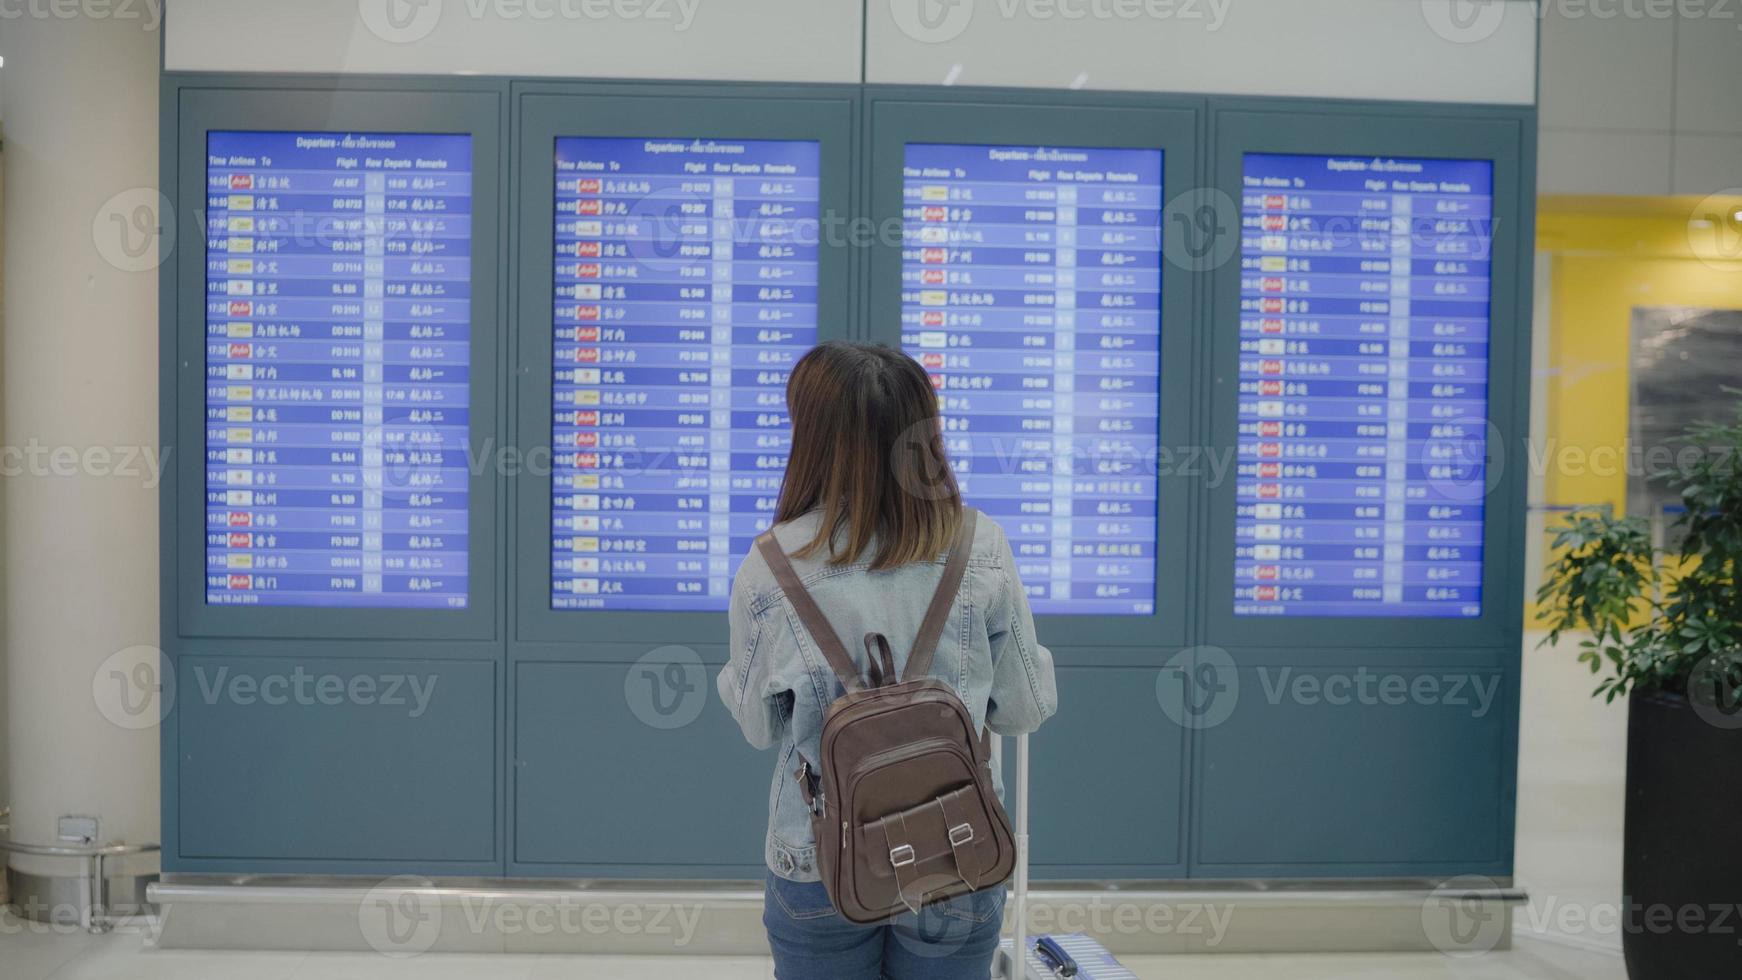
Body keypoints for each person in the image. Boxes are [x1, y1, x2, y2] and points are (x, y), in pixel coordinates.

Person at [718, 340, 1058, 980]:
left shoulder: (770, 568)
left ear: (812, 439)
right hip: (960, 851)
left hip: (819, 861)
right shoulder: (979, 545)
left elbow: (759, 727)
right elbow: (1022, 708)